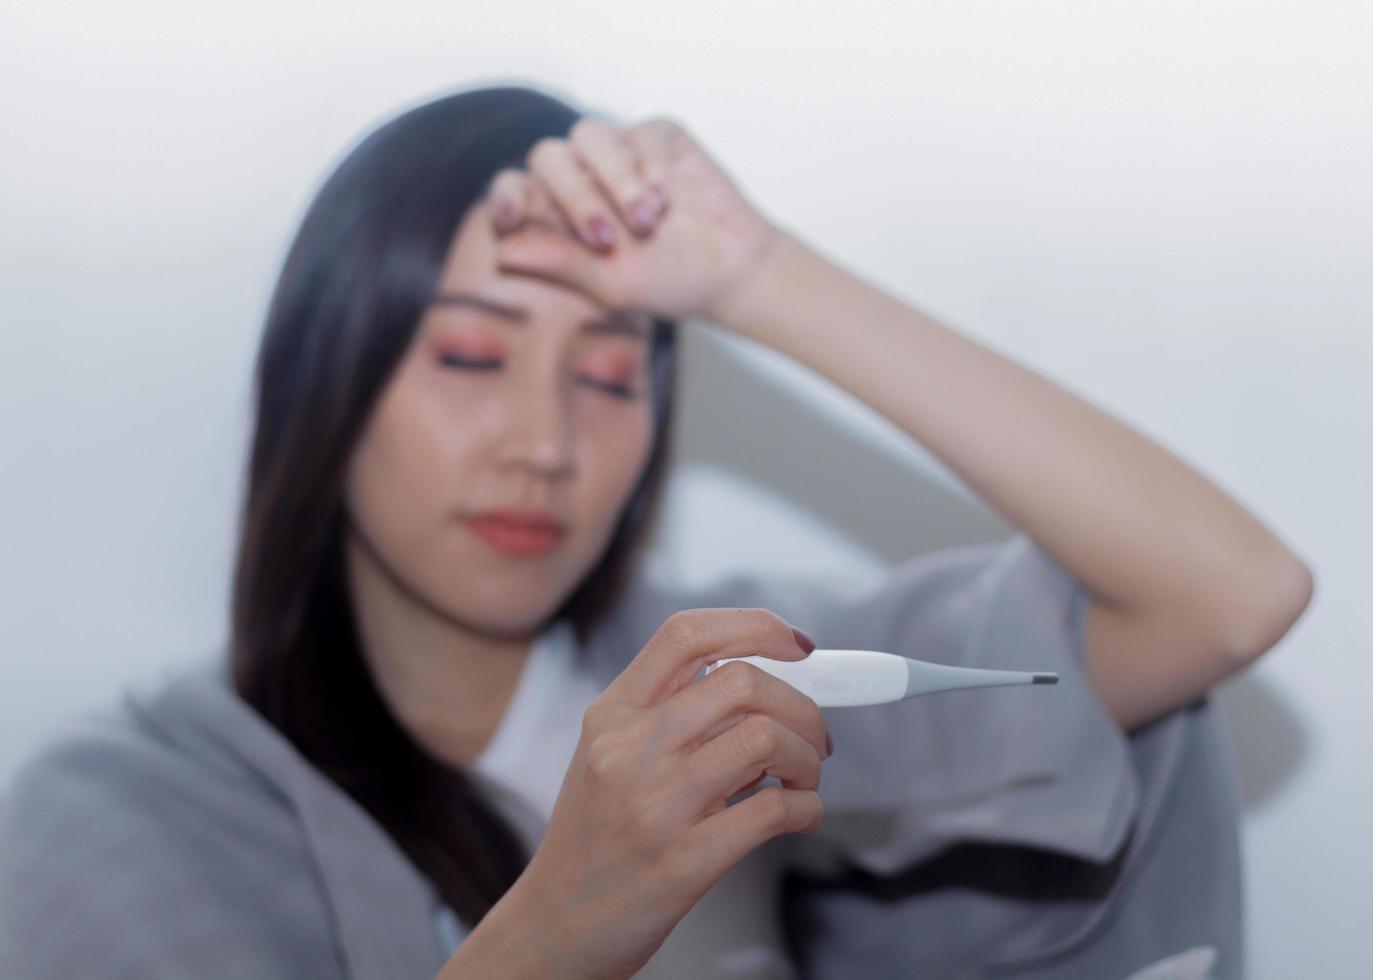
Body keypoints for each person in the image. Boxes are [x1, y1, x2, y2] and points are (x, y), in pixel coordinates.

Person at [0, 84, 1312, 980]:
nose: (543, 440)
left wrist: (754, 275)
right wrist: (565, 922)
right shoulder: (121, 820)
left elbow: (1226, 594)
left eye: (612, 372)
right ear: (324, 383)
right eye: (467, 355)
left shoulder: (739, 684)